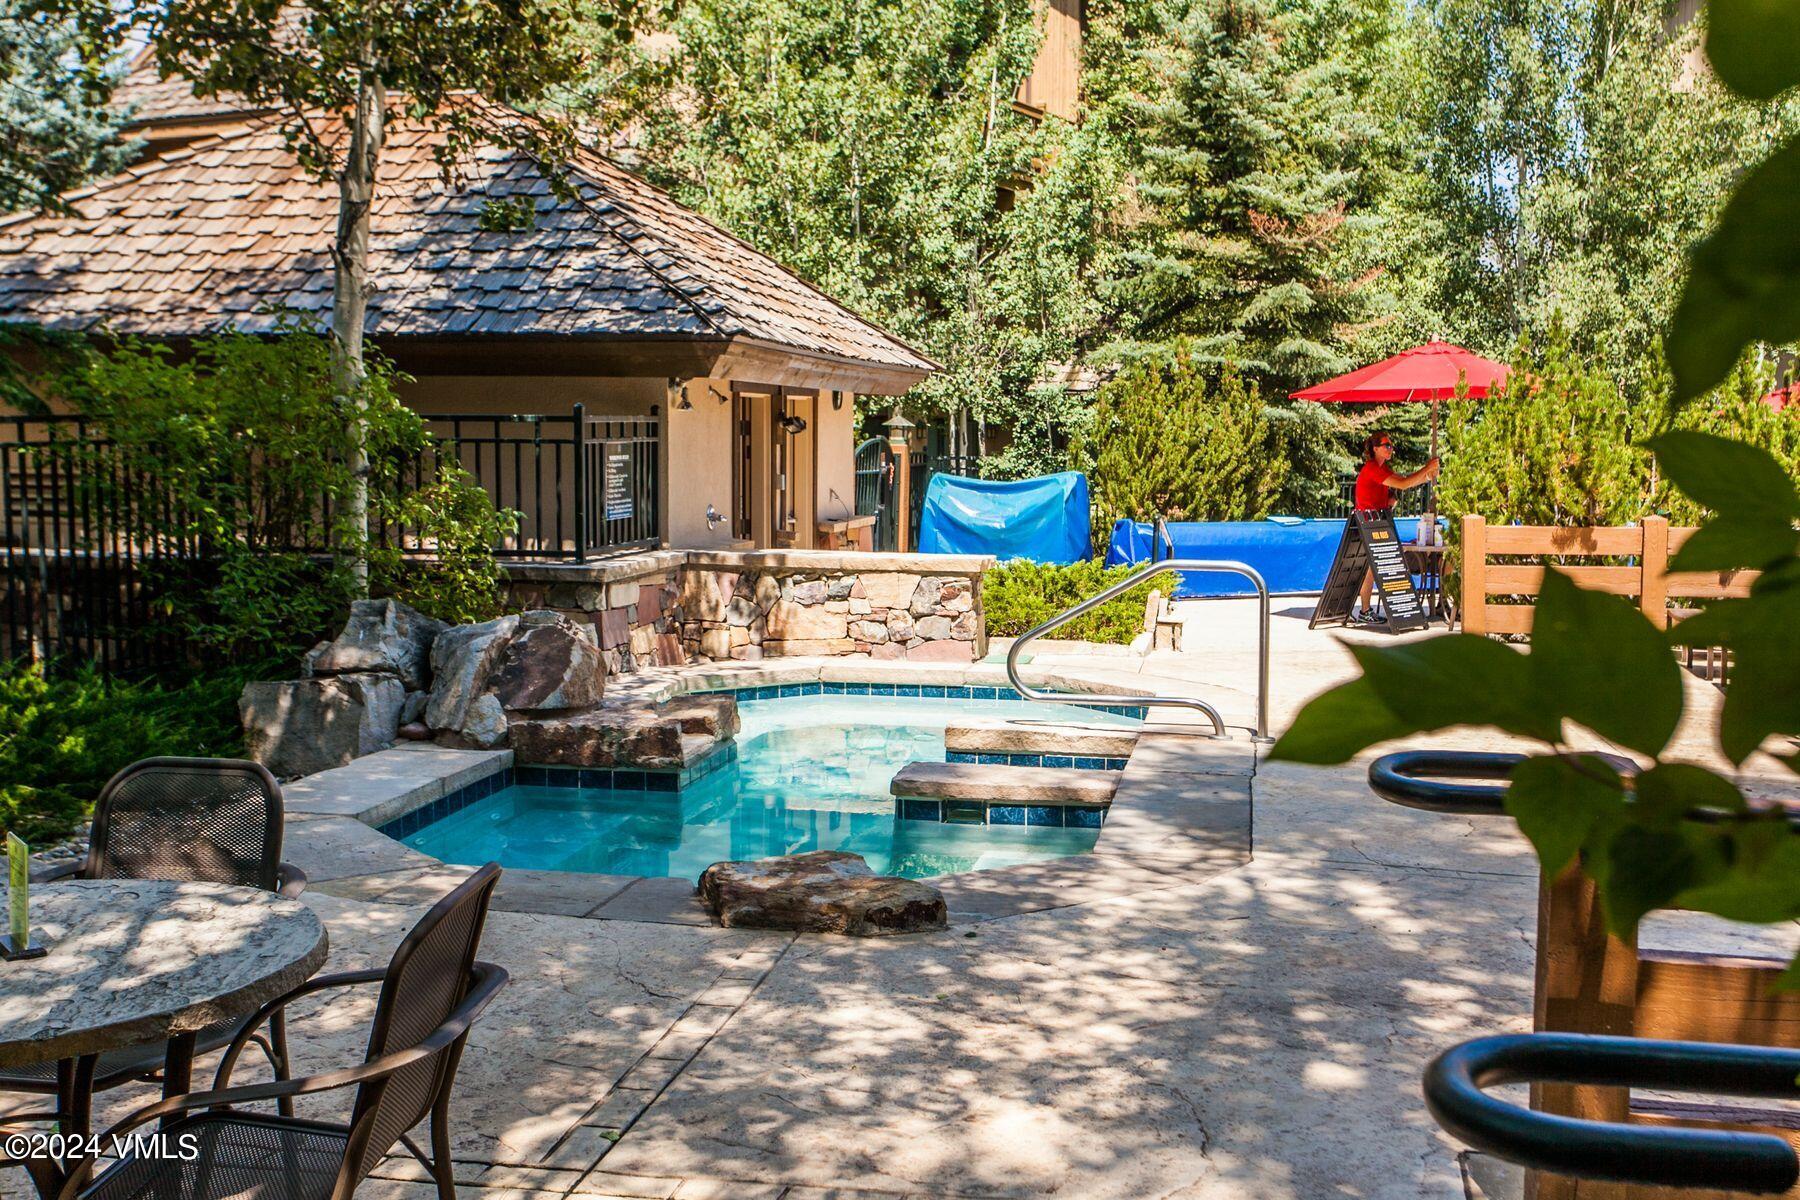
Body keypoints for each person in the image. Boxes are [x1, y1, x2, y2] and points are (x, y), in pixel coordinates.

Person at [1352, 432, 1438, 623]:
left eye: (1391, 445)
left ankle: (1365, 610)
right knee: (1371, 570)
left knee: (1371, 570)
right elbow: (1404, 483)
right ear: (1375, 449)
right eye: (1386, 445)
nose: (1391, 449)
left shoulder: (1382, 469)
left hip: (1375, 522)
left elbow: (1404, 484)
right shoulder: (1373, 469)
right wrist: (1426, 468)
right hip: (1369, 524)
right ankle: (1365, 610)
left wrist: (1426, 476)